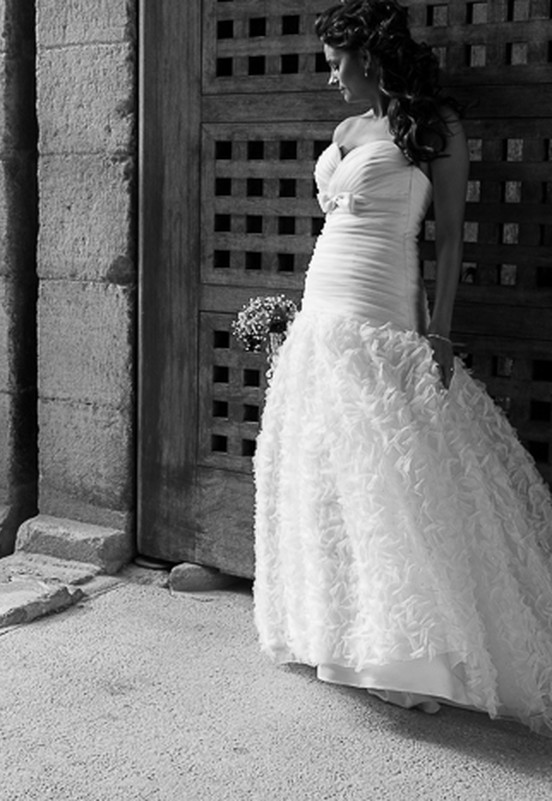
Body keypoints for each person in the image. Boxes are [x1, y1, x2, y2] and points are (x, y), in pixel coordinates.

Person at [253, 0, 552, 734]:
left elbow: (449, 238)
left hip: (384, 309)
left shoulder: (435, 127)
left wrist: (439, 332)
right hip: (324, 309)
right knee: (331, 472)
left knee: (393, 472)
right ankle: (339, 634)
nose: (330, 81)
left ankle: (407, 652)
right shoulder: (348, 130)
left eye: (335, 63)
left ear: (370, 56)